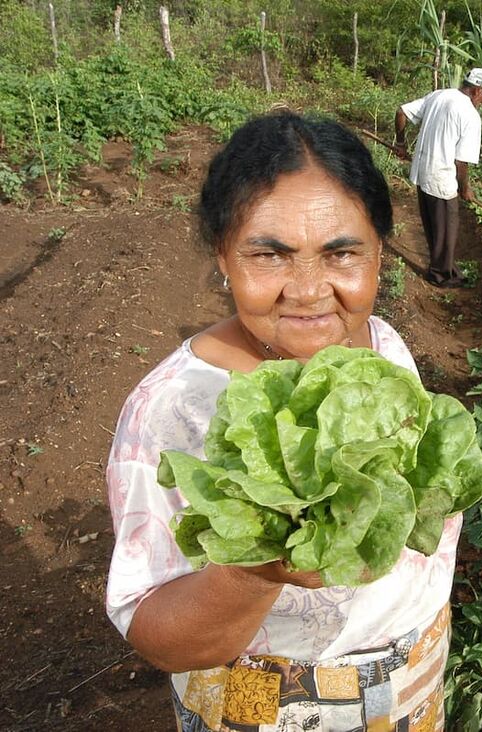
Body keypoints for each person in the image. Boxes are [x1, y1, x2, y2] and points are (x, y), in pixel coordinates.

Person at [104, 112, 459, 731]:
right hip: (263, 705)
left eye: (341, 252)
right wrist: (256, 570)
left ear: (380, 250)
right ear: (223, 255)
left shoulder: (381, 344)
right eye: (269, 253)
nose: (308, 290)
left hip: (416, 674)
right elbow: (157, 635)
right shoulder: (175, 408)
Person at [395, 68, 482, 287]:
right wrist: (465, 188)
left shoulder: (439, 95)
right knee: (446, 229)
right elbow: (461, 162)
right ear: (478, 90)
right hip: (441, 177)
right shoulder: (470, 115)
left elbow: (401, 112)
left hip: (422, 172)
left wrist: (400, 143)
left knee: (434, 225)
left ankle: (445, 268)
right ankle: (440, 275)